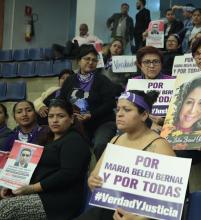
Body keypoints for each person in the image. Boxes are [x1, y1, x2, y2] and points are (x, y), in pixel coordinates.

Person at [77, 90, 175, 220]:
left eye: (127, 110)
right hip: (112, 209)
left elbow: (173, 197)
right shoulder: (115, 140)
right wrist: (93, 181)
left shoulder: (159, 145)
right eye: (118, 110)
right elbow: (95, 177)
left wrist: (140, 218)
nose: (120, 114)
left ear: (144, 115)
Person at [0, 99, 91, 220]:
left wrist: (32, 188)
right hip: (41, 194)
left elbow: (67, 174)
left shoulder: (74, 140)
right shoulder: (47, 139)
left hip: (58, 201)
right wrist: (12, 184)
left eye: (61, 116)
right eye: (51, 116)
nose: (54, 120)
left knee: (4, 209)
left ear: (72, 119)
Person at [59, 45, 117, 160]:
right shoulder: (70, 80)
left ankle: (101, 176)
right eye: (87, 59)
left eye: (94, 60)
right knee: (72, 147)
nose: (91, 62)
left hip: (102, 122)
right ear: (79, 61)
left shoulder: (103, 80)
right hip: (78, 123)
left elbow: (110, 103)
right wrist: (71, 115)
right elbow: (62, 101)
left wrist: (92, 114)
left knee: (100, 145)